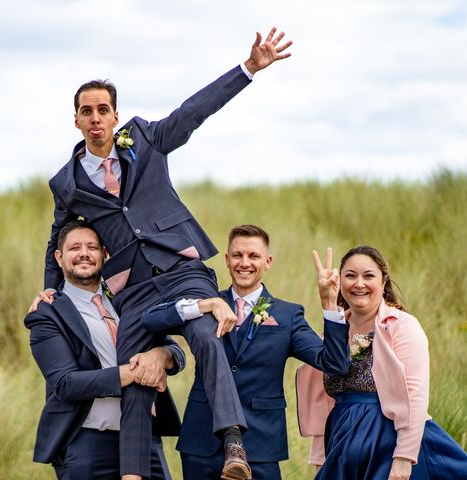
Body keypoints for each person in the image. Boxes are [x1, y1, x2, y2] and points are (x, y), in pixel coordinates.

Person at [31, 27, 293, 480]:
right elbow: (57, 236)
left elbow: (193, 112)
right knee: (132, 368)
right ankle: (135, 473)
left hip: (181, 268)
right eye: (86, 111)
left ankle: (232, 442)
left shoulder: (146, 139)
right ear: (75, 120)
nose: (96, 118)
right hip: (131, 290)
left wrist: (249, 68)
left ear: (115, 116)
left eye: (103, 110)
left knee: (206, 335)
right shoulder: (66, 183)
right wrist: (49, 291)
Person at [141, 224, 351, 479]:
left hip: (260, 443)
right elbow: (150, 318)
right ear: (227, 260)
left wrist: (329, 303)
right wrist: (205, 304)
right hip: (202, 441)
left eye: (253, 256)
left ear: (268, 261)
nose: (245, 263)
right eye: (238, 255)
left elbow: (335, 363)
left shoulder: (288, 315)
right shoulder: (205, 304)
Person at [296, 245, 467, 480]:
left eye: (368, 276)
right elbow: (322, 405)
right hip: (343, 444)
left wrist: (404, 458)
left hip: (389, 442)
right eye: (350, 275)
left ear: (384, 280)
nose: (359, 283)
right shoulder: (332, 333)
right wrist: (321, 459)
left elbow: (415, 394)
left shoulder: (401, 325)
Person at [25, 220, 187, 480]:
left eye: (92, 247)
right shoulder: (47, 314)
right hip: (87, 445)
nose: (84, 254)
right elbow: (67, 384)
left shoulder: (130, 299)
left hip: (144, 439)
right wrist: (135, 372)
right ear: (59, 257)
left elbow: (176, 353)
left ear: (105, 253)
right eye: (74, 248)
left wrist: (160, 356)